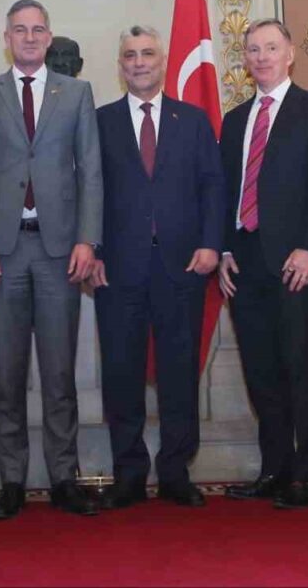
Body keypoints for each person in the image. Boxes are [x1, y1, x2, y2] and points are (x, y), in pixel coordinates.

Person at [0, 0, 103, 519]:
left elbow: (90, 171)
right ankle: (12, 480)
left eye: (37, 29)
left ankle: (64, 477)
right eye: (19, 30)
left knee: (59, 374)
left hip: (59, 251)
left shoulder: (77, 93)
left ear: (48, 36)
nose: (28, 37)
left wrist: (88, 240)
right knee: (7, 373)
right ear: (7, 39)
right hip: (3, 251)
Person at [92, 26, 224, 509]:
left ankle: (175, 472)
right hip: (116, 268)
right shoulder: (99, 122)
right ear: (120, 65)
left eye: (147, 53)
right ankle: (128, 473)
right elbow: (85, 190)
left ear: (162, 61)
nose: (139, 62)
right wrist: (92, 249)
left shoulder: (193, 120)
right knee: (121, 372)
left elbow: (213, 186)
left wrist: (211, 244)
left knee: (178, 373)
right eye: (130, 55)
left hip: (182, 265)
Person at [217, 18, 308, 510]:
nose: (262, 57)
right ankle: (275, 469)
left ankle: (307, 477)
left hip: (295, 262)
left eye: (271, 48)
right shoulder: (234, 120)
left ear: (290, 54)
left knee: (299, 367)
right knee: (261, 372)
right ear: (245, 60)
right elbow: (226, 192)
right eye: (253, 50)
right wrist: (225, 249)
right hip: (244, 263)